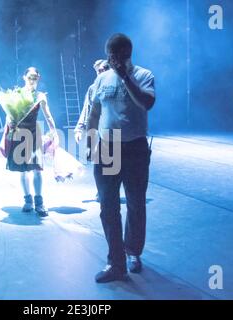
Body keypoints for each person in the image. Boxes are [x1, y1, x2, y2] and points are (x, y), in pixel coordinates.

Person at [87, 33, 156, 283]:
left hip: (135, 147)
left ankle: (133, 252)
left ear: (128, 54)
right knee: (108, 207)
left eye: (119, 56)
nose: (114, 60)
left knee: (136, 204)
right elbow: (95, 111)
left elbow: (146, 103)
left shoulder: (143, 75)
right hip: (108, 148)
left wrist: (126, 76)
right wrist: (90, 139)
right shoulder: (101, 79)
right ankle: (116, 263)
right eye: (111, 55)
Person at [6, 67, 58, 217]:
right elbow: (9, 116)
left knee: (37, 169)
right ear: (24, 77)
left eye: (35, 77)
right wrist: (10, 125)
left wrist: (54, 132)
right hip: (19, 133)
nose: (32, 80)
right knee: (23, 170)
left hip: (34, 133)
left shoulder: (40, 96)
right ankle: (27, 200)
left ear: (38, 78)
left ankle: (39, 202)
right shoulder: (17, 94)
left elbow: (48, 116)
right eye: (29, 77)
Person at [74, 59, 110, 143]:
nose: (100, 73)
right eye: (98, 71)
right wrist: (79, 129)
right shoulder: (92, 89)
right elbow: (86, 109)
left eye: (103, 70)